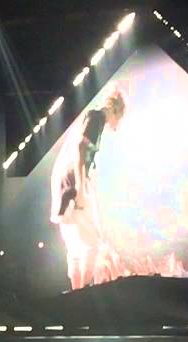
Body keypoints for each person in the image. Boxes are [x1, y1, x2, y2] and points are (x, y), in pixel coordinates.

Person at [51, 86, 127, 290]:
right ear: (116, 111)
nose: (117, 126)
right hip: (73, 183)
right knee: (92, 243)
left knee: (75, 246)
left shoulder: (94, 119)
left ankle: (76, 293)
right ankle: (82, 293)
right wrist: (80, 188)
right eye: (119, 119)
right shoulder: (96, 118)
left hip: (67, 184)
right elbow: (80, 148)